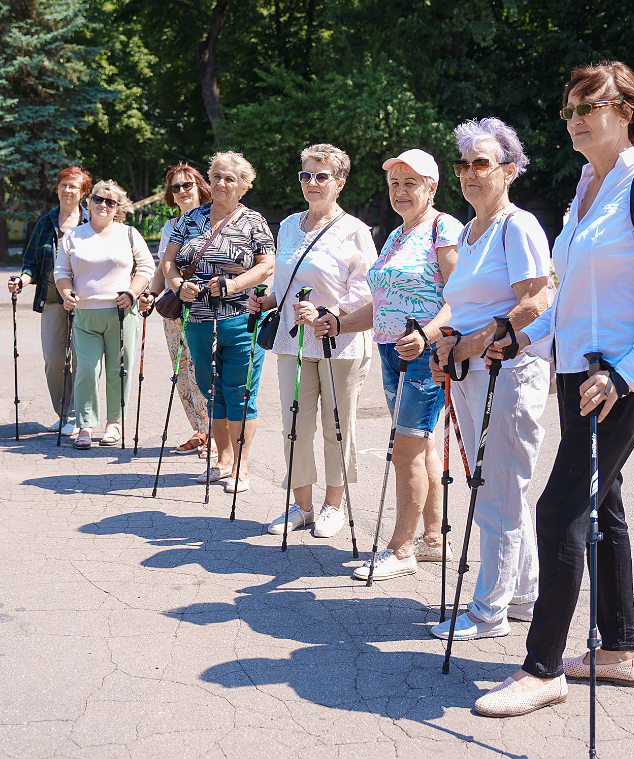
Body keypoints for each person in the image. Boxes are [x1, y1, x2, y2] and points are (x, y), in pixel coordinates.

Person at [474, 61, 634, 718]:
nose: (575, 118)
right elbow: (574, 297)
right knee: (604, 507)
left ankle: (542, 667)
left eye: (589, 105)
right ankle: (620, 649)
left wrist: (627, 373)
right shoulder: (587, 187)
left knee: (560, 510)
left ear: (628, 110)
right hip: (578, 373)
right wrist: (521, 339)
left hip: (620, 378)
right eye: (569, 107)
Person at [427, 119, 552, 641]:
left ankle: (487, 610)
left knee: (497, 491)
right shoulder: (470, 232)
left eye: (482, 163)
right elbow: (466, 303)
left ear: (509, 169)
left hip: (508, 372)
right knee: (502, 487)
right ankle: (522, 594)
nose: (470, 174)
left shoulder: (516, 225)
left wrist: (472, 344)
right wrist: (444, 345)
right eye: (464, 165)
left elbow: (536, 300)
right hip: (471, 374)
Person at [314, 148, 463, 577]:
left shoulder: (443, 228)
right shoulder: (398, 235)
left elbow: (460, 297)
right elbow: (381, 307)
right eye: (394, 184)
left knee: (405, 451)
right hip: (390, 351)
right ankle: (432, 538)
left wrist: (428, 334)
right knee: (422, 446)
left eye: (410, 183)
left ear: (431, 188)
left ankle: (400, 551)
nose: (400, 191)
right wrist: (338, 323)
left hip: (426, 356)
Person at [249, 143, 376, 538]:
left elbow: (367, 290)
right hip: (292, 342)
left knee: (337, 425)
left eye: (321, 176)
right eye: (306, 175)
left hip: (340, 343)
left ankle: (332, 506)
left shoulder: (354, 230)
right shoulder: (288, 226)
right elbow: (285, 282)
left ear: (339, 182)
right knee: (294, 424)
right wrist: (267, 299)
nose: (312, 182)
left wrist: (329, 313)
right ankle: (301, 505)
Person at [162, 150, 275, 494]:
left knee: (239, 392)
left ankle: (240, 467)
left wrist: (235, 284)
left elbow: (267, 264)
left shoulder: (253, 221)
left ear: (243, 185)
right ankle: (223, 460)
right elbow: (169, 261)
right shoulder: (191, 218)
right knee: (209, 387)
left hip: (240, 318)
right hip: (196, 319)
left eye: (230, 178)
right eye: (216, 177)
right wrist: (178, 285)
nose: (222, 183)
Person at [54, 180, 155, 448]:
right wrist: (66, 295)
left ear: (117, 208)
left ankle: (114, 423)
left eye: (110, 202)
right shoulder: (73, 236)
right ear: (89, 201)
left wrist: (133, 293)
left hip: (122, 314)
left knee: (118, 370)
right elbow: (61, 273)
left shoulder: (130, 234)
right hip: (85, 315)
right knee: (86, 369)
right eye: (99, 199)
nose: (103, 205)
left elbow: (146, 267)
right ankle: (85, 425)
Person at [9, 166, 92, 435]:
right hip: (53, 301)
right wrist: (21, 280)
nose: (68, 190)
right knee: (54, 359)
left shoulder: (91, 223)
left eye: (74, 186)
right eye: (64, 185)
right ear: (57, 189)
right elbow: (31, 263)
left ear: (83, 192)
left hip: (85, 302)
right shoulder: (45, 224)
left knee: (83, 359)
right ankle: (64, 412)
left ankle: (81, 416)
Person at [140, 163, 214, 459]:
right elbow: (163, 266)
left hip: (205, 306)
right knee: (182, 371)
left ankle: (218, 433)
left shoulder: (214, 220)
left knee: (205, 368)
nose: (182, 191)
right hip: (174, 309)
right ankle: (200, 429)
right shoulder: (170, 226)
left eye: (187, 185)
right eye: (175, 187)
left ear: (199, 187)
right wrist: (151, 293)